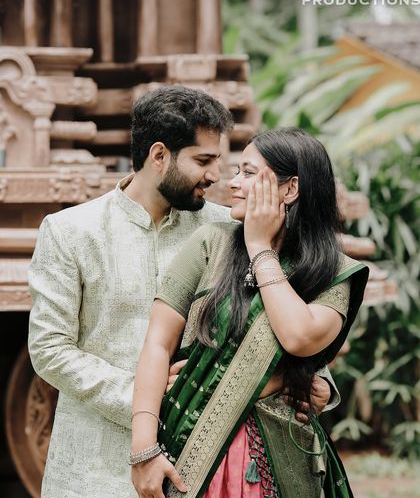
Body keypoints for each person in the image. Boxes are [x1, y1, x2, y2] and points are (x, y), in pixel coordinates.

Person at [28, 87, 333, 498]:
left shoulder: (234, 230)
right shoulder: (71, 232)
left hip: (201, 465)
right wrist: (145, 392)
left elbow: (286, 305)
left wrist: (315, 379)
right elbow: (49, 348)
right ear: (159, 156)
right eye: (203, 161)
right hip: (91, 468)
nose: (216, 177)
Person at [130, 129, 369, 498]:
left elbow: (298, 336)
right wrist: (144, 451)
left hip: (283, 459)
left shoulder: (334, 274)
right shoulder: (212, 243)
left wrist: (260, 247)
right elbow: (158, 345)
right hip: (193, 452)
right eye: (236, 171)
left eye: (248, 173)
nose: (233, 183)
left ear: (290, 190)